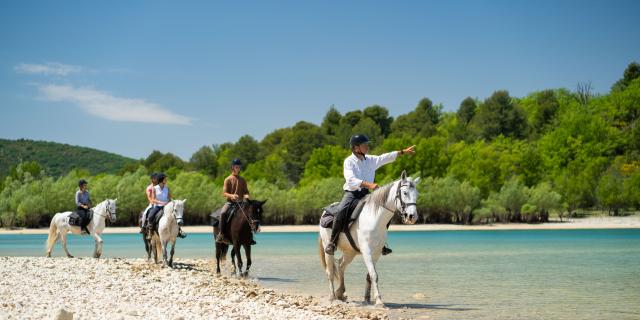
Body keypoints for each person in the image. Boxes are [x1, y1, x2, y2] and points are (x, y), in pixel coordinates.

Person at [324, 134, 415, 256]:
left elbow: (385, 157)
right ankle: (332, 243)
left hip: (366, 195)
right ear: (356, 148)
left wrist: (402, 152)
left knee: (385, 210)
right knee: (341, 211)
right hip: (352, 194)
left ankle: (381, 243)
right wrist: (369, 185)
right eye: (364, 145)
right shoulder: (349, 161)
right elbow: (350, 179)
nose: (367, 146)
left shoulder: (370, 160)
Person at [216, 158, 256, 245]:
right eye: (236, 166)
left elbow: (246, 192)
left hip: (241, 203)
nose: (238, 168)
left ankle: (250, 236)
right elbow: (224, 193)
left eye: (239, 166)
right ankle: (221, 234)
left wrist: (247, 196)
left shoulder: (243, 180)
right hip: (230, 203)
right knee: (223, 213)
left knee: (250, 214)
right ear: (232, 167)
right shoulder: (228, 179)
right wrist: (232, 196)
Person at [146, 173, 186, 239]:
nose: (166, 180)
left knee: (176, 215)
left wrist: (174, 202)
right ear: (161, 179)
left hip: (167, 206)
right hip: (158, 206)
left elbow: (170, 198)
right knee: (151, 216)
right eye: (165, 179)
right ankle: (150, 232)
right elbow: (153, 199)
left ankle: (179, 231)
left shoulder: (167, 188)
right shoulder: (154, 188)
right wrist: (162, 203)